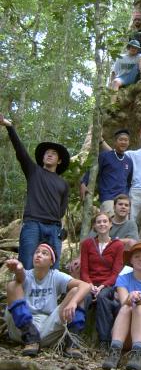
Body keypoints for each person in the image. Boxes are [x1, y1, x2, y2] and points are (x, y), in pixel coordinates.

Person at [0, 113, 70, 269]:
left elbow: (61, 210)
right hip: (32, 224)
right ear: (43, 157)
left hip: (53, 227)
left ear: (59, 160)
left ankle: (50, 294)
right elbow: (21, 151)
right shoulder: (33, 171)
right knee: (26, 265)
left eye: (53, 153)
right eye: (47, 152)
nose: (49, 154)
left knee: (54, 267)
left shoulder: (63, 184)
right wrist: (9, 126)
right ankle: (24, 293)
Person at [5, 243, 90, 357]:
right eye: (37, 252)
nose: (39, 255)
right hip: (22, 330)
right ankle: (31, 338)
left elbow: (86, 286)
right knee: (13, 285)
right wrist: (18, 269)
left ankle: (72, 343)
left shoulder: (56, 276)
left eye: (44, 253)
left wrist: (73, 302)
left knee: (76, 292)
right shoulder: (27, 274)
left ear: (51, 262)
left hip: (47, 329)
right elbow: (21, 277)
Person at [102, 242, 141, 370]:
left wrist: (138, 299)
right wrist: (130, 297)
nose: (140, 259)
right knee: (126, 307)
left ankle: (137, 355)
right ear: (131, 260)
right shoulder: (123, 279)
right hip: (124, 335)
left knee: (139, 307)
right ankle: (114, 353)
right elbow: (124, 301)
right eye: (136, 256)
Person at [80, 213, 125, 351]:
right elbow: (84, 270)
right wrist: (90, 285)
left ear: (110, 224)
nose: (102, 224)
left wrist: (102, 286)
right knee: (83, 297)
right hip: (89, 283)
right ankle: (76, 335)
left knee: (103, 297)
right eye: (98, 222)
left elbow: (116, 272)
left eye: (105, 221)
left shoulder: (118, 245)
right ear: (94, 225)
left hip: (108, 284)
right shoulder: (87, 244)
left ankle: (104, 340)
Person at [80, 129, 133, 215]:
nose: (123, 142)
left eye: (126, 140)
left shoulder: (129, 161)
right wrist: (83, 183)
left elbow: (129, 182)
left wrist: (126, 196)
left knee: (122, 226)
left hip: (123, 200)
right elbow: (92, 170)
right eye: (121, 139)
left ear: (128, 142)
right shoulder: (105, 156)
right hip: (108, 198)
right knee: (108, 225)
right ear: (115, 142)